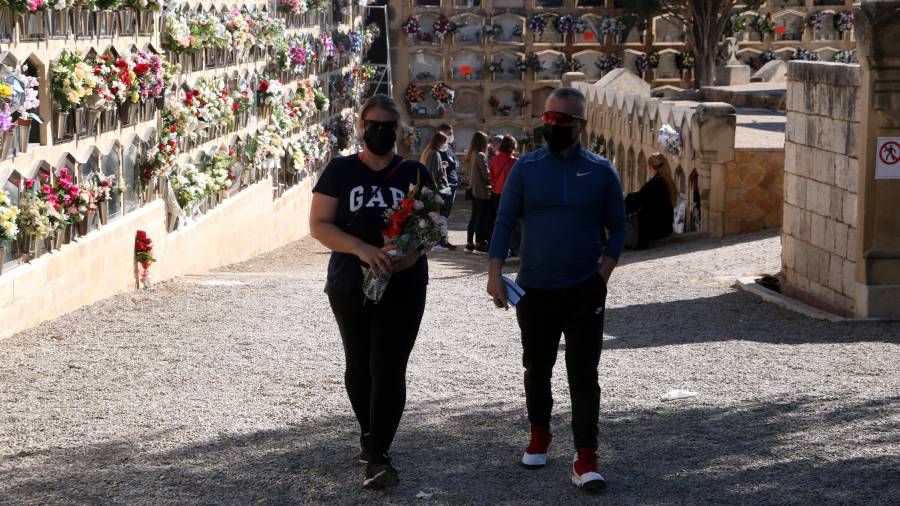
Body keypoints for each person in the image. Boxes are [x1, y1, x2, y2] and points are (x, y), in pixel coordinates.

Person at [486, 87, 626, 493]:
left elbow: (617, 226)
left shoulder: (601, 171)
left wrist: (604, 273)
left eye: (563, 120)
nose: (554, 125)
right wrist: (495, 273)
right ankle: (539, 433)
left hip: (585, 288)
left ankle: (585, 457)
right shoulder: (525, 169)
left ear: (581, 125)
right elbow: (503, 221)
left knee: (584, 373)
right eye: (548, 118)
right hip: (535, 288)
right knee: (537, 365)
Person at [309, 95, 434, 491]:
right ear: (361, 126)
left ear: (398, 130)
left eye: (387, 125)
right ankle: (369, 432)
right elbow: (319, 224)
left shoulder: (415, 172)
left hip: (404, 283)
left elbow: (430, 226)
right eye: (372, 124)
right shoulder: (341, 170)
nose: (379, 131)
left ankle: (380, 454)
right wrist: (361, 248)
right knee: (359, 364)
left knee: (390, 365)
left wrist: (413, 254)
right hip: (350, 281)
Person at [624, 153, 677, 249]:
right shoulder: (668, 182)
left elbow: (635, 203)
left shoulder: (654, 184)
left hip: (651, 233)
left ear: (649, 167)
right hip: (665, 229)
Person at [486, 136, 518, 252]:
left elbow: (491, 177)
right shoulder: (515, 162)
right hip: (509, 196)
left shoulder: (494, 159)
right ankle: (511, 247)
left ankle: (495, 246)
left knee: (496, 221)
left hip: (496, 194)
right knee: (510, 222)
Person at [464, 131, 491, 252]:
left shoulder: (471, 154)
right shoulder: (480, 155)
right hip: (481, 190)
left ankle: (469, 242)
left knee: (474, 216)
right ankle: (479, 243)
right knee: (480, 217)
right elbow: (485, 175)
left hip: (473, 189)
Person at [435, 123, 459, 250]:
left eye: (451, 133)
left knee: (446, 212)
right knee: (443, 212)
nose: (451, 136)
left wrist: (453, 163)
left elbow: (454, 162)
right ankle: (440, 240)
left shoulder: (448, 147)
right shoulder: (438, 149)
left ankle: (444, 238)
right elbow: (449, 164)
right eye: (449, 133)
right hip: (446, 183)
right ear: (441, 132)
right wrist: (452, 163)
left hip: (452, 182)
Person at [420, 132, 451, 198]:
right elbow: (437, 173)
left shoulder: (427, 151)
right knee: (444, 206)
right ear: (439, 142)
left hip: (428, 184)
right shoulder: (436, 153)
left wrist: (440, 163)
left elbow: (430, 166)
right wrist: (444, 166)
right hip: (438, 186)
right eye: (444, 143)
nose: (444, 145)